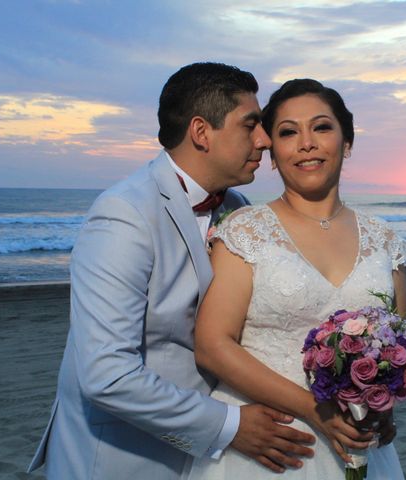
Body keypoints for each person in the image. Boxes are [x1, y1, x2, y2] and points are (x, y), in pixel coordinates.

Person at [27, 63, 316, 479]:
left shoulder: (238, 210)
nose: (265, 140)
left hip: (206, 460)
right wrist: (229, 425)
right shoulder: (125, 214)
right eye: (250, 125)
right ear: (201, 132)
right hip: (123, 457)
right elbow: (106, 375)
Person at [189, 79, 406, 478]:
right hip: (270, 446)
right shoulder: (245, 231)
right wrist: (314, 409)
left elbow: (397, 344)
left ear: (347, 143)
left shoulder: (384, 241)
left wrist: (382, 409)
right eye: (288, 132)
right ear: (273, 154)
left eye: (322, 128)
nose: (306, 143)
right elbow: (212, 345)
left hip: (358, 445)